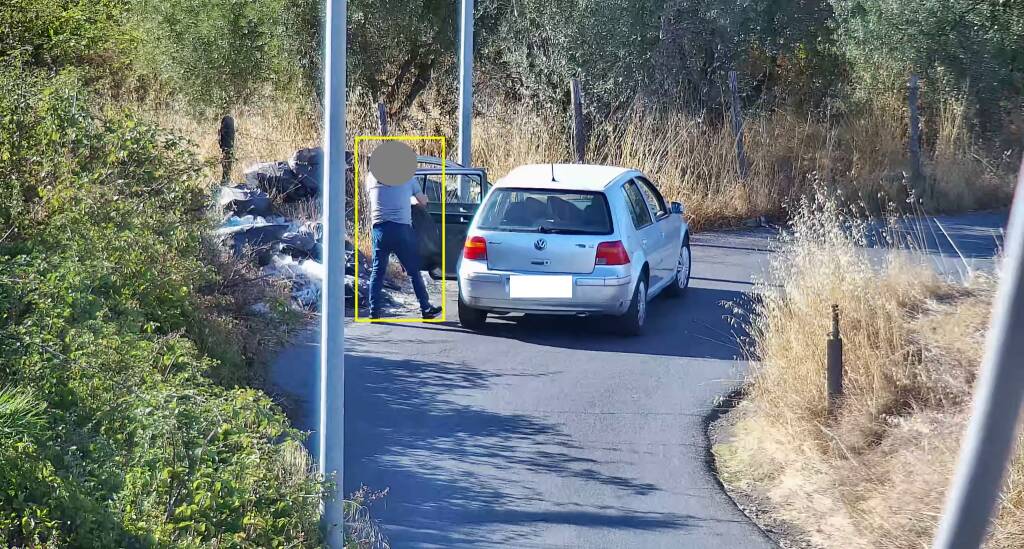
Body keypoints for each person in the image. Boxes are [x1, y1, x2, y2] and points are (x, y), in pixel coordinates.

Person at [366, 171, 442, 320]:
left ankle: (374, 311)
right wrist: (414, 200)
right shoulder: (407, 176)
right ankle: (426, 308)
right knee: (413, 271)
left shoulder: (371, 177)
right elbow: (422, 202)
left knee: (377, 271)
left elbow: (380, 196)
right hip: (402, 230)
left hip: (379, 229)